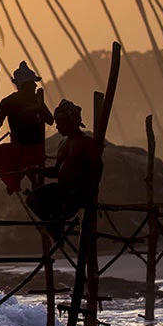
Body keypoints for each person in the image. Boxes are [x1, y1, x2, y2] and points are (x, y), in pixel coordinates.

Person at [26, 99, 104, 237]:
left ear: (71, 121)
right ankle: (56, 228)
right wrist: (38, 170)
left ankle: (56, 227)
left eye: (60, 123)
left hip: (77, 192)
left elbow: (97, 168)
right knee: (32, 199)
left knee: (53, 205)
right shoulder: (63, 144)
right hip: (63, 190)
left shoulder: (87, 143)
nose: (57, 127)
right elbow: (57, 171)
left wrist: (90, 194)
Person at [0, 61, 53, 194]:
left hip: (35, 148)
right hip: (17, 147)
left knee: (29, 163)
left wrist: (38, 107)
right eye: (31, 84)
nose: (35, 86)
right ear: (23, 86)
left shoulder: (36, 100)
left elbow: (50, 120)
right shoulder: (8, 102)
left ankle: (29, 182)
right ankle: (15, 181)